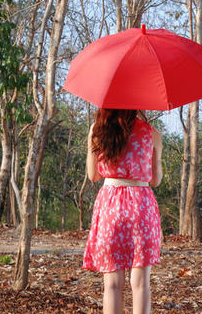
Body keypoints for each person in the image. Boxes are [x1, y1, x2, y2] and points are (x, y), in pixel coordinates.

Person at [83, 108, 163, 314]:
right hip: (141, 206)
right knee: (140, 284)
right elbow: (156, 180)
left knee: (112, 284)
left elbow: (93, 175)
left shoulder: (98, 130)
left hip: (111, 206)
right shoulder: (151, 133)